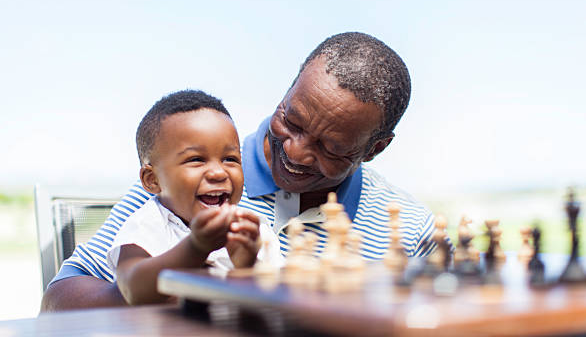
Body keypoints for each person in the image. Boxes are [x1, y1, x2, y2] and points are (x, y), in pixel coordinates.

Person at [41, 32, 438, 311]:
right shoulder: (180, 185)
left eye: (330, 147)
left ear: (375, 149)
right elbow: (59, 302)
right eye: (292, 121)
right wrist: (184, 290)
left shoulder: (410, 227)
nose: (297, 152)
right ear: (288, 90)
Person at [106, 89, 281, 305]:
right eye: (196, 159)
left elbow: (277, 301)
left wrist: (247, 267)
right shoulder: (148, 225)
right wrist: (196, 248)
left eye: (230, 159)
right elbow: (132, 289)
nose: (218, 172)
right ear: (152, 180)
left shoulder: (253, 229)